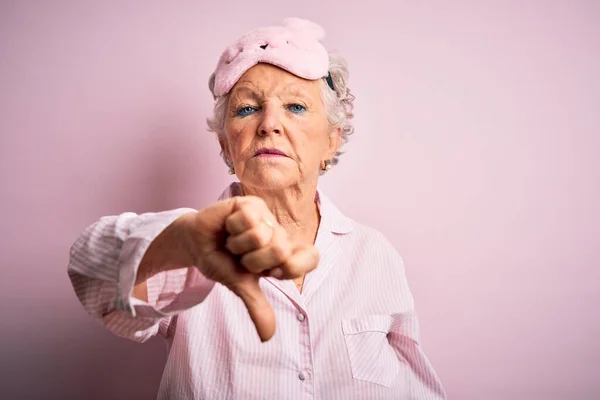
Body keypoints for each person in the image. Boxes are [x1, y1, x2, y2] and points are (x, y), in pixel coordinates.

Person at [68, 17, 446, 400]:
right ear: (226, 144)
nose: (269, 124)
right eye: (247, 109)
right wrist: (180, 238)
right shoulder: (193, 248)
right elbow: (95, 275)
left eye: (296, 106)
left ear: (332, 141)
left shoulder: (375, 255)